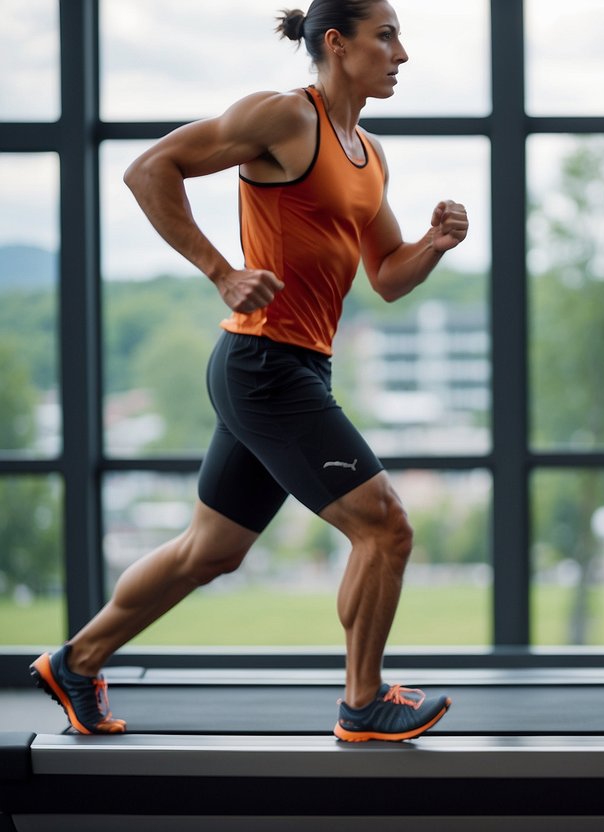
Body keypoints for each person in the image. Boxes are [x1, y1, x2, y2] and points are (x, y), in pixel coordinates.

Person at [30, 0, 468, 743]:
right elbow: (149, 170)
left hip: (292, 368)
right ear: (337, 42)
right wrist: (221, 271)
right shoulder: (282, 120)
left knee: (212, 551)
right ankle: (362, 703)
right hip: (264, 365)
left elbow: (388, 276)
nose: (402, 53)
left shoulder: (367, 151)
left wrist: (432, 243)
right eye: (386, 35)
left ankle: (76, 660)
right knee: (385, 527)